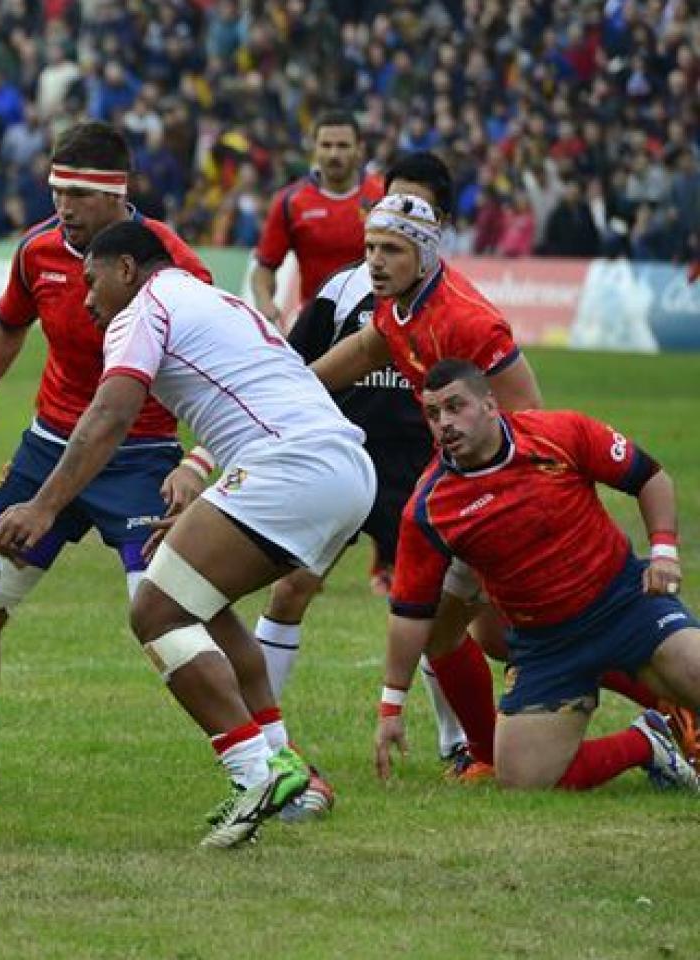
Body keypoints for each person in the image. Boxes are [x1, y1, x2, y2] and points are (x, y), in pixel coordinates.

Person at [0, 122, 321, 816]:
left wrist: (197, 459)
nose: (62, 206)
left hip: (140, 457)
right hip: (49, 450)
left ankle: (286, 772)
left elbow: (226, 371)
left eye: (77, 193)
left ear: (116, 198)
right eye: (55, 190)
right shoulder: (37, 249)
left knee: (193, 615)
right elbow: (10, 322)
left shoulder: (176, 265)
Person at [0, 220, 374, 848]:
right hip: (341, 473)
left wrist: (43, 507)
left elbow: (110, 416)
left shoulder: (144, 309)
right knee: (204, 604)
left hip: (293, 468)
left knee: (155, 610)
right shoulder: (209, 297)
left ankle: (256, 774)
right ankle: (289, 772)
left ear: (126, 270)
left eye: (92, 281)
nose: (86, 299)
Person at [375, 360, 699, 793]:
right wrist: (391, 706)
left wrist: (663, 551)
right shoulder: (430, 506)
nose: (445, 423)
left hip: (626, 604)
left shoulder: (558, 433)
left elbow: (649, 476)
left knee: (693, 670)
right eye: (434, 414)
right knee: (523, 779)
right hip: (547, 645)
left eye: (455, 407)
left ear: (490, 405)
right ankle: (649, 741)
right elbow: (411, 612)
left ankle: (672, 696)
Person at [308, 192, 545, 779]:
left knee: (543, 633)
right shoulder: (399, 303)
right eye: (369, 248)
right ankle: (487, 757)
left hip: (505, 495)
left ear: (424, 252)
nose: (376, 262)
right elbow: (366, 349)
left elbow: (529, 417)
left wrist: (499, 505)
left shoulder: (468, 319)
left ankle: (666, 709)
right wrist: (294, 390)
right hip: (463, 490)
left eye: (390, 249)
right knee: (451, 632)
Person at [244, 152, 470, 764]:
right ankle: (261, 740)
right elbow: (295, 371)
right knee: (292, 588)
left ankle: (458, 742)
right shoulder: (344, 291)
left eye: (413, 210)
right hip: (342, 466)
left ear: (436, 226)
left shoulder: (459, 307)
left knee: (434, 607)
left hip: (423, 474)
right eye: (388, 203)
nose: (394, 219)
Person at [249, 111, 384, 328]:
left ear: (359, 149)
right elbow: (264, 269)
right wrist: (266, 307)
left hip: (373, 321)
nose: (333, 154)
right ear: (314, 149)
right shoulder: (290, 201)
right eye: (326, 145)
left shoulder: (383, 196)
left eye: (342, 146)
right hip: (315, 323)